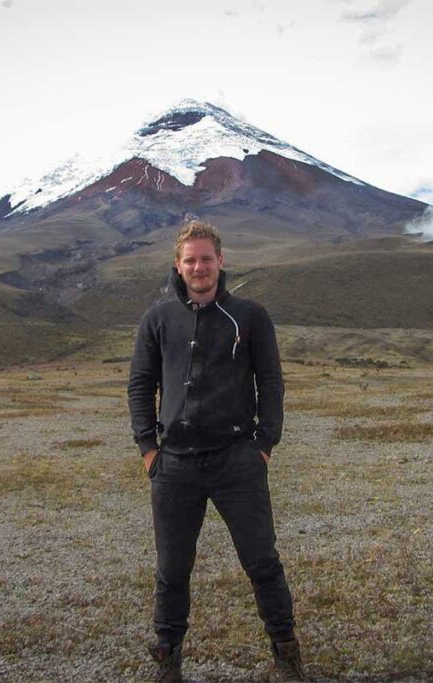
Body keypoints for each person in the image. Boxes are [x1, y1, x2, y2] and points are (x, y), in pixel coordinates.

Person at [127, 220, 306, 682]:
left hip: (236, 461)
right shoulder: (158, 319)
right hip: (176, 464)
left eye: (206, 258)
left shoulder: (249, 315)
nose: (199, 267)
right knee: (171, 569)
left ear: (221, 262)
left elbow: (271, 382)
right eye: (190, 260)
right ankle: (168, 658)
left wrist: (264, 444)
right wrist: (149, 448)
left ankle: (287, 653)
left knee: (262, 560)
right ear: (178, 265)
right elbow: (140, 384)